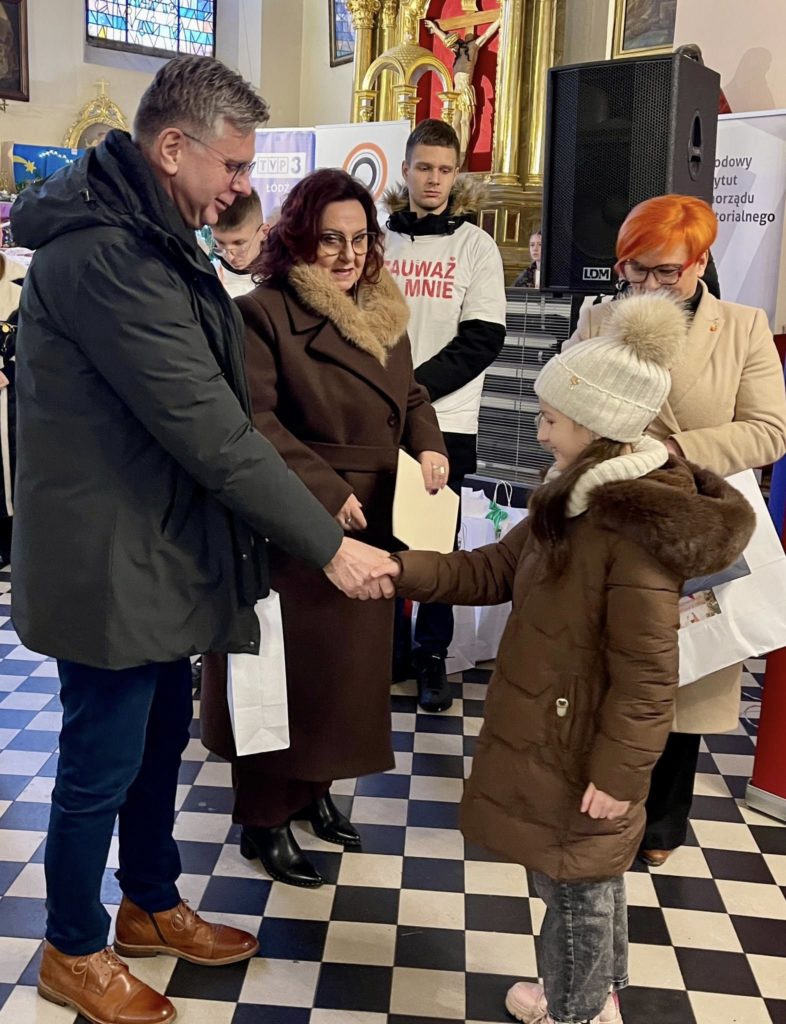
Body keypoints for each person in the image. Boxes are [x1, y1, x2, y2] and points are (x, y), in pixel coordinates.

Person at [11, 55, 392, 1024]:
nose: (240, 185)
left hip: (154, 544)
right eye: (233, 164)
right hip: (108, 559)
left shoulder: (152, 237)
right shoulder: (105, 257)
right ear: (173, 147)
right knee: (100, 759)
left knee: (155, 743)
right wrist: (326, 543)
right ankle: (71, 948)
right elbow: (212, 429)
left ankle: (148, 899)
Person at [372, 292, 755, 1024]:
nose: (540, 430)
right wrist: (401, 569)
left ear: (597, 425)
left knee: (572, 886)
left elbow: (648, 677)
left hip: (584, 749)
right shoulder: (573, 498)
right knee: (589, 878)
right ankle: (596, 993)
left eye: (551, 419)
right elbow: (491, 569)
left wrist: (619, 775)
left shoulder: (629, 529)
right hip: (561, 734)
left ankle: (574, 1010)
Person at [200, 168, 448, 887]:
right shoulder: (263, 313)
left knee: (343, 680)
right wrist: (325, 490)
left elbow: (411, 393)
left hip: (376, 518)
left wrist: (429, 443)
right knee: (283, 678)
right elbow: (252, 420)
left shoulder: (381, 308)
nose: (347, 254)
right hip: (295, 523)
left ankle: (315, 794)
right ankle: (264, 819)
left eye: (360, 239)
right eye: (330, 239)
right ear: (299, 238)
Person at [565, 194, 786, 866]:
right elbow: (567, 403)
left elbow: (769, 430)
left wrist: (673, 451)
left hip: (692, 522)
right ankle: (591, 804)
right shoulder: (599, 317)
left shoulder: (742, 326)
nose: (652, 285)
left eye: (668, 270)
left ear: (701, 262)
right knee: (601, 665)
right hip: (608, 516)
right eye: (636, 269)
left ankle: (661, 823)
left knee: (679, 672)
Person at [385, 117, 506, 712]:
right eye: (424, 168)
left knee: (436, 544)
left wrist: (411, 390)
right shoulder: (376, 242)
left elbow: (482, 339)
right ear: (405, 169)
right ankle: (387, 651)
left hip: (448, 419)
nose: (433, 180)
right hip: (377, 418)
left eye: (445, 170)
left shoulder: (476, 246)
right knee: (381, 536)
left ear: (456, 175)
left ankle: (432, 654)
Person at [424, 18, 500, 168]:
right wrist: (435, 28)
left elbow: (486, 34)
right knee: (454, 123)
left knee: (465, 122)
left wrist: (500, 20)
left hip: (465, 90)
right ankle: (456, 153)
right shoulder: (458, 52)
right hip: (455, 92)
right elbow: (445, 39)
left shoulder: (473, 47)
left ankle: (463, 156)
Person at [0, 251, 25, 565]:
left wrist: (9, 372)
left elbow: (40, 337)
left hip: (12, 398)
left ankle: (11, 540)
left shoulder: (22, 280)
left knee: (11, 465)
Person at [212, 186, 267, 297]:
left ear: (264, 232)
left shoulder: (283, 281)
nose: (230, 257)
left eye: (239, 243)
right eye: (220, 243)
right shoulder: (207, 279)